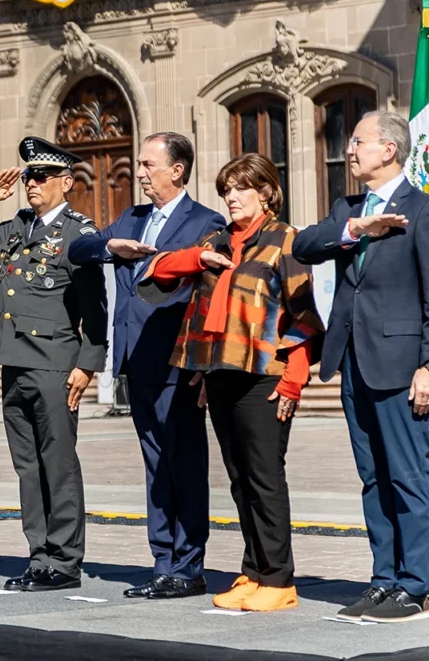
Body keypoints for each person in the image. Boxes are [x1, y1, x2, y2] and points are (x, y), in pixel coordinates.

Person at [136, 154, 323, 613]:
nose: (232, 197)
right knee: (240, 479)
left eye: (241, 188)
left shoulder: (285, 239)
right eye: (227, 190)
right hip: (220, 373)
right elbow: (156, 272)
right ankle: (254, 571)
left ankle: (278, 579)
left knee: (264, 478)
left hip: (265, 376)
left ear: (266, 192)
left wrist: (294, 381)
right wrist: (197, 257)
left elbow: (304, 317)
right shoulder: (217, 240)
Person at [68, 133, 225, 600]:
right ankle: (162, 562)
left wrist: (205, 364)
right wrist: (111, 247)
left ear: (177, 170)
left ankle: (188, 566)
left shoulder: (205, 221)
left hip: (177, 361)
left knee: (184, 464)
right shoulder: (131, 218)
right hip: (136, 359)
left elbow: (210, 293)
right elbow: (78, 249)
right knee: (155, 465)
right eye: (137, 165)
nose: (139, 173)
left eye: (147, 164)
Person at [0, 137, 108, 592]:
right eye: (27, 177)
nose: (31, 184)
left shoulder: (79, 234)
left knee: (58, 464)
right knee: (28, 467)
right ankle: (39, 555)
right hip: (14, 362)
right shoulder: (17, 226)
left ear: (66, 182)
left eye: (41, 176)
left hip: (55, 365)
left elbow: (94, 308)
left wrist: (87, 365)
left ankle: (65, 561)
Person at [294, 110, 429, 623]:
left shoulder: (421, 210)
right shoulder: (347, 208)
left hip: (401, 364)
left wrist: (427, 366)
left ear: (389, 149)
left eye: (358, 142)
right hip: (353, 359)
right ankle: (383, 580)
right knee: (373, 477)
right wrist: (356, 228)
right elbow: (304, 245)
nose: (349, 150)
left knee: (408, 476)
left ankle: (416, 584)